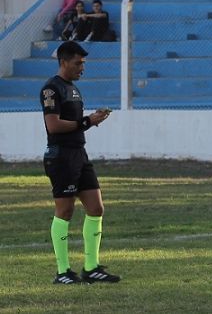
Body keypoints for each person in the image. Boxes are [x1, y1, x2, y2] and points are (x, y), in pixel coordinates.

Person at [40, 41, 119, 285]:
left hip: (79, 154)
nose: (82, 68)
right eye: (78, 63)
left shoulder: (73, 88)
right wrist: (87, 122)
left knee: (96, 208)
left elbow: (76, 123)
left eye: (83, 63)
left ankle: (91, 267)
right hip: (61, 156)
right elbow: (53, 125)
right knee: (65, 211)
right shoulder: (51, 89)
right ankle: (63, 272)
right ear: (63, 62)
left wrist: (91, 120)